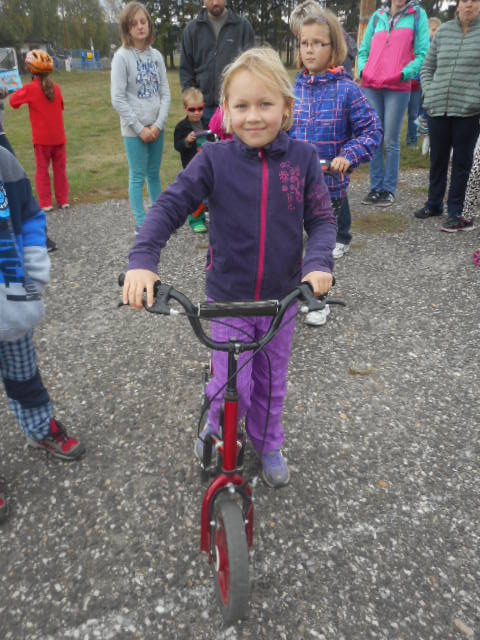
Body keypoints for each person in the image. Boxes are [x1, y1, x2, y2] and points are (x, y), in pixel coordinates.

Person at [122, 47, 336, 488]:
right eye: (241, 106)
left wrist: (317, 264)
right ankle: (215, 426)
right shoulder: (213, 160)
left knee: (271, 383)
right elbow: (170, 206)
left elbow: (321, 221)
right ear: (225, 110)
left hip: (281, 301)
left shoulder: (302, 159)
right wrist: (143, 261)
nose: (253, 117)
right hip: (228, 300)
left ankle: (267, 441)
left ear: (286, 108)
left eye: (265, 104)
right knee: (229, 379)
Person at [0, 146, 85, 522]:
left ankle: (39, 427)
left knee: (24, 375)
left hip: (11, 303)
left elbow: (32, 216)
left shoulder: (5, 164)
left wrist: (34, 269)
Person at [289, 9, 382, 327]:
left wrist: (349, 154)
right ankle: (290, 295)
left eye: (319, 43)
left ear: (334, 47)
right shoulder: (293, 89)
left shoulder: (348, 91)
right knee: (288, 242)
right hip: (291, 185)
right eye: (305, 43)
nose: (310, 50)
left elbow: (371, 130)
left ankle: (317, 298)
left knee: (319, 246)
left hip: (329, 187)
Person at [414, 0, 480, 232]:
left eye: (474, 0)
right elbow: (427, 68)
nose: (469, 5)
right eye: (464, 1)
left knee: (462, 163)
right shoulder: (443, 31)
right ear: (458, 5)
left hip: (468, 111)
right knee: (437, 159)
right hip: (438, 107)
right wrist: (430, 93)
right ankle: (434, 204)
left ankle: (456, 210)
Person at [358, 0, 429, 207]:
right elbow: (363, 50)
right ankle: (375, 188)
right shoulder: (377, 16)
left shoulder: (417, 15)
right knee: (375, 137)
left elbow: (423, 53)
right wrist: (363, 71)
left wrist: (403, 74)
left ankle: (388, 190)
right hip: (371, 86)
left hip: (397, 87)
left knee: (390, 139)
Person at [111, 1, 171, 234]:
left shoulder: (157, 57)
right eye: (134, 23)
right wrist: (139, 128)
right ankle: (141, 223)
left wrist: (158, 124)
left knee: (153, 174)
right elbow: (118, 98)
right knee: (137, 176)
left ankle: (158, 218)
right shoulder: (121, 57)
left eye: (143, 21)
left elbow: (165, 93)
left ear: (149, 24)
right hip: (133, 130)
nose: (139, 26)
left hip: (156, 126)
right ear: (127, 28)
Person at [9, 50, 69, 212]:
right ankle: (63, 200)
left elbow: (13, 102)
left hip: (42, 141)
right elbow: (60, 107)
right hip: (59, 138)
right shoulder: (56, 88)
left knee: (42, 171)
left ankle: (46, 203)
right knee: (60, 171)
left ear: (31, 70)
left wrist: (18, 90)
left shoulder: (30, 88)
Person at [179, 0, 255, 121]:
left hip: (234, 107)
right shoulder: (192, 30)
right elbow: (185, 70)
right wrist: (192, 102)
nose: (215, 2)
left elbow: (252, 68)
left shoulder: (243, 28)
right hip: (202, 110)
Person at [173, 87, 210, 234]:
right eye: (192, 109)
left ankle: (213, 215)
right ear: (185, 109)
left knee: (212, 191)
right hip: (192, 166)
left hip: (209, 165)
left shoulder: (207, 122)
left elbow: (214, 138)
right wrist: (187, 141)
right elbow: (177, 146)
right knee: (195, 193)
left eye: (200, 109)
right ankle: (196, 220)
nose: (196, 112)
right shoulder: (182, 127)